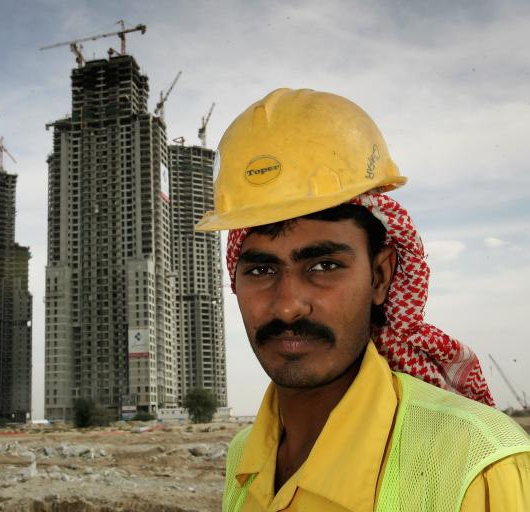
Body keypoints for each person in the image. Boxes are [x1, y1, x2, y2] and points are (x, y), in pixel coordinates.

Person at [195, 88, 530, 511]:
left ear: (380, 276)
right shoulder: (244, 453)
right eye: (261, 270)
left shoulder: (481, 465)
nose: (287, 306)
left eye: (324, 266)